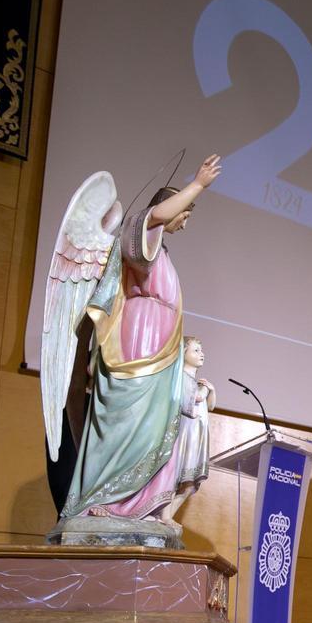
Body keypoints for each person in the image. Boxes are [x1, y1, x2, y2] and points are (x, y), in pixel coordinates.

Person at [59, 155, 222, 521]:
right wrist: (198, 184)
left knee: (150, 428)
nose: (184, 222)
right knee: (128, 423)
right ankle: (105, 500)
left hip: (158, 350)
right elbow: (157, 217)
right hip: (137, 348)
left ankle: (135, 506)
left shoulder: (162, 252)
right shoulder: (140, 229)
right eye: (185, 214)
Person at [159, 336, 216, 530]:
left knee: (189, 484)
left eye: (201, 350)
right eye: (196, 350)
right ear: (183, 354)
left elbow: (210, 405)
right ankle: (164, 516)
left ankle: (166, 517)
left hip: (197, 437)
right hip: (185, 435)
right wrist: (205, 390)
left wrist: (211, 390)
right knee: (176, 478)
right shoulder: (181, 378)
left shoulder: (196, 382)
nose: (202, 354)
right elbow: (193, 402)